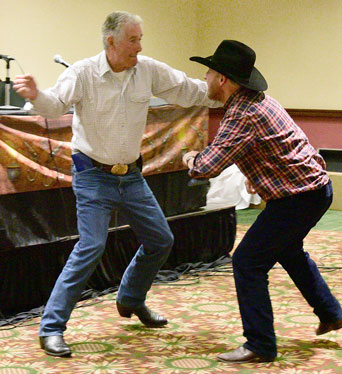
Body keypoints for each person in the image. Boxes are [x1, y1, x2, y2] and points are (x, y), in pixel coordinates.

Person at [13, 11, 219, 357]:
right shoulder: (82, 73)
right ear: (111, 42)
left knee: (160, 239)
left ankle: (130, 299)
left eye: (140, 39)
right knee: (91, 246)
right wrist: (35, 94)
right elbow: (52, 106)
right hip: (92, 176)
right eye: (134, 40)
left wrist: (224, 94)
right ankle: (50, 329)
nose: (140, 47)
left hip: (132, 176)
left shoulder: (148, 70)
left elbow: (187, 89)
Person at [183, 40, 342, 363]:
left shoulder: (242, 114)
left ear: (223, 80)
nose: (206, 77)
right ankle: (332, 313)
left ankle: (260, 344)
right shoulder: (257, 102)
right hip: (312, 191)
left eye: (209, 72)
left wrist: (190, 157)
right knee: (288, 251)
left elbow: (205, 167)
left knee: (247, 261)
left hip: (298, 198)